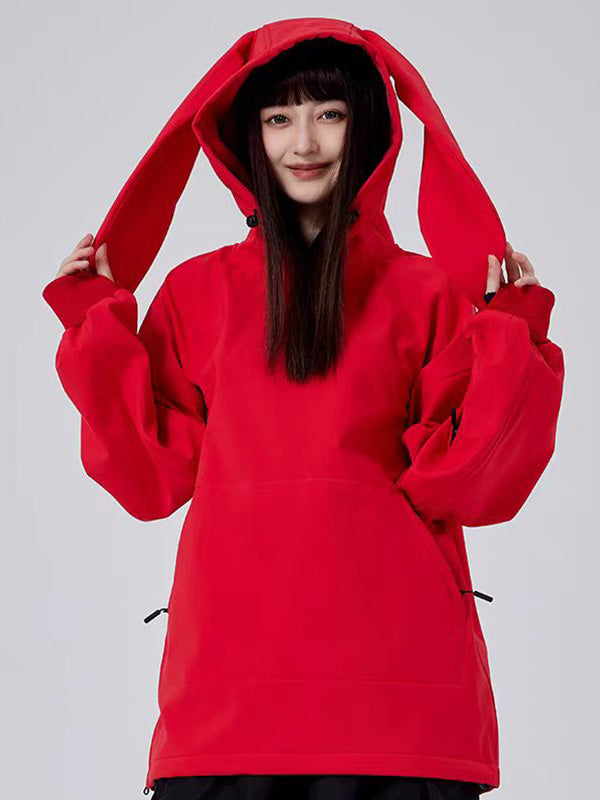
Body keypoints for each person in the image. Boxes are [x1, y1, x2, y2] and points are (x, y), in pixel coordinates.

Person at [42, 18, 565, 800]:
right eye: (279, 117)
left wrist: (511, 333)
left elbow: (471, 484)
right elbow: (149, 477)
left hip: (402, 707)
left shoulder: (426, 292)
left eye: (329, 113)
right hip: (229, 701)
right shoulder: (197, 292)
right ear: (247, 137)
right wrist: (94, 322)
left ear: (367, 125)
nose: (305, 141)